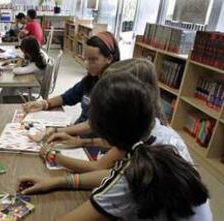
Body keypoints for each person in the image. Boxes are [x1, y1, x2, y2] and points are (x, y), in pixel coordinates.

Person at [32, 73, 215, 221]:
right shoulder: (160, 140)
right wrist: (59, 182)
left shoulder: (131, 176)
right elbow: (108, 174)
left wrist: (58, 171)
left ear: (104, 133)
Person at [18, 59, 187, 194]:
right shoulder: (145, 128)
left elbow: (105, 171)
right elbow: (114, 169)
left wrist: (52, 156)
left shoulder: (150, 144)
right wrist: (81, 143)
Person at [42, 58, 169, 173]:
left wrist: (51, 155)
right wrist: (80, 142)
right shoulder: (142, 123)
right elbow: (117, 149)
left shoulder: (148, 135)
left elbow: (99, 168)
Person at [22, 32, 120, 140]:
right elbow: (67, 97)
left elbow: (92, 126)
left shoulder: (114, 89)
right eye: (86, 59)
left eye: (93, 60)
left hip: (92, 141)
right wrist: (44, 104)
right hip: (78, 133)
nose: (87, 64)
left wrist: (56, 131)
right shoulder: (91, 80)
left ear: (109, 58)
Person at [0, 37, 49, 103]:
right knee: (9, 88)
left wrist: (20, 59)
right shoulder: (40, 54)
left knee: (8, 87)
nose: (23, 53)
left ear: (29, 51)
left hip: (37, 86)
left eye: (24, 51)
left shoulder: (35, 65)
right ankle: (4, 103)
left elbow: (16, 71)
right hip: (38, 82)